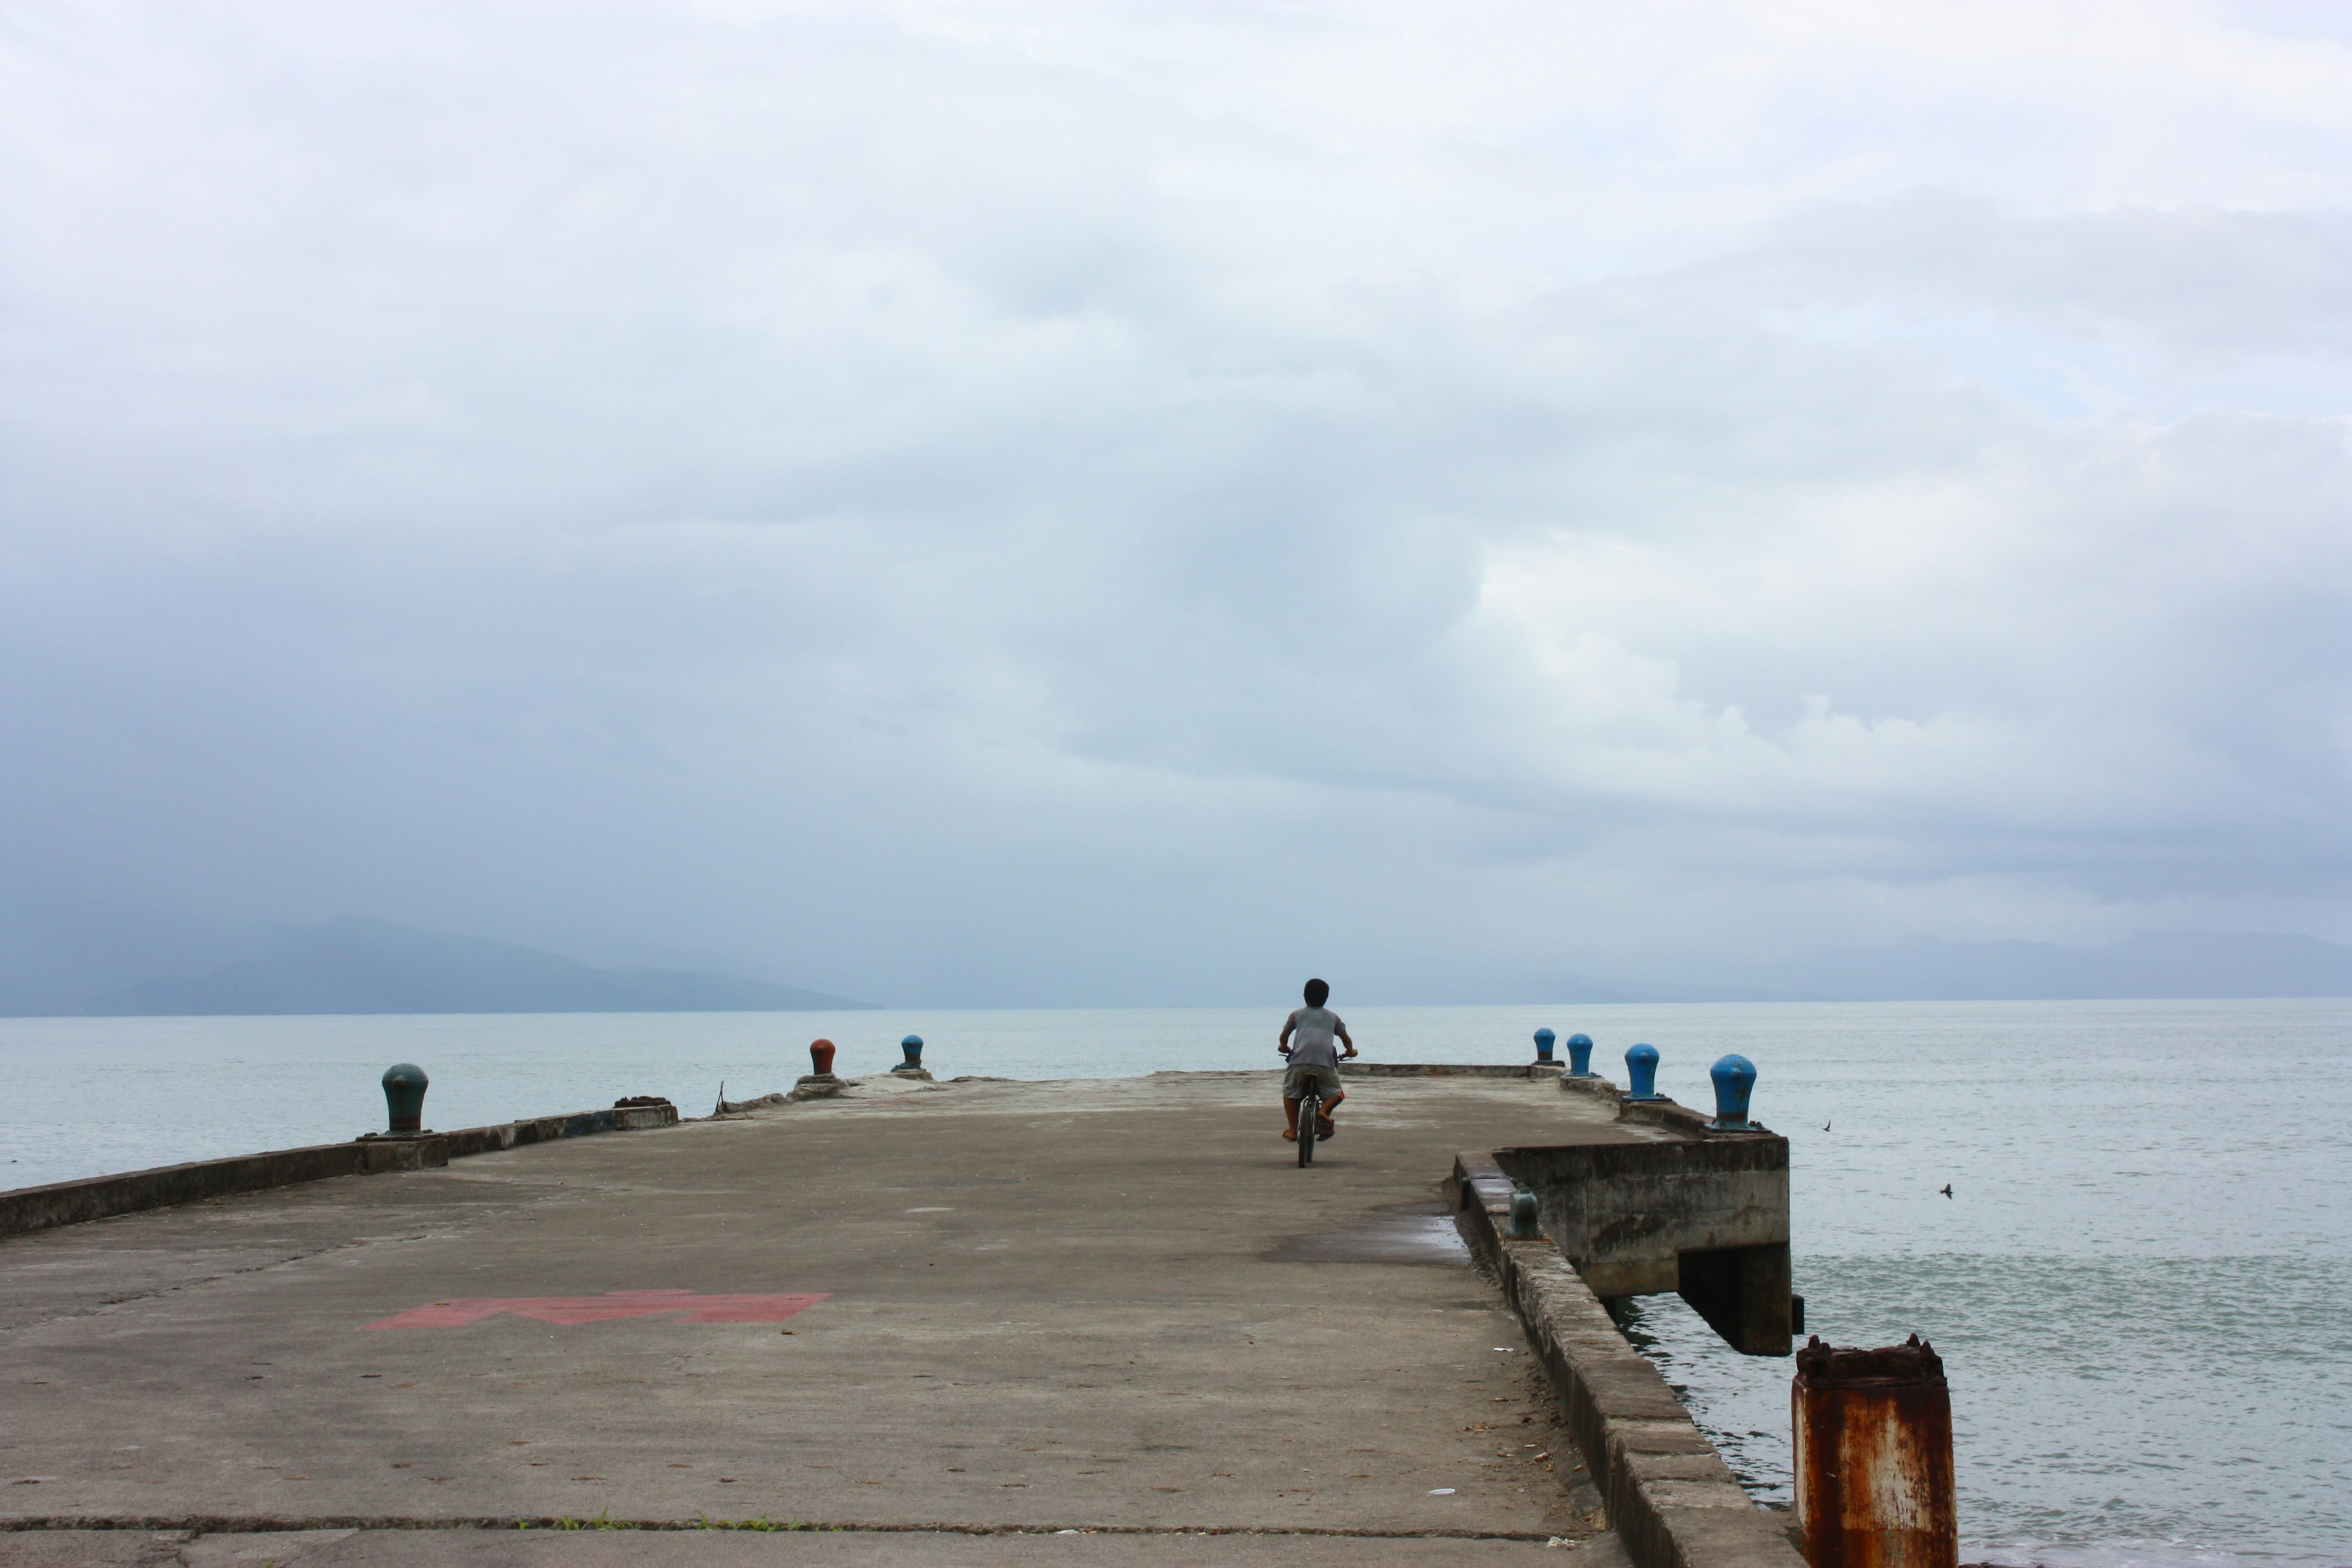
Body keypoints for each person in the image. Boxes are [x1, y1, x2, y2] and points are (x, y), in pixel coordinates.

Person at [1277, 977, 1356, 1142]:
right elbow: (1346, 1039)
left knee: (1289, 1093)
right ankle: (1322, 1113)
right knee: (1336, 1092)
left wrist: (1284, 1047)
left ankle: (1292, 1130)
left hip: (1299, 1063)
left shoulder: (1296, 1015)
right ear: (1326, 998)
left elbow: (1284, 1036)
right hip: (1324, 1065)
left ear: (1304, 996)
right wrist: (1350, 1051)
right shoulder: (1333, 1018)